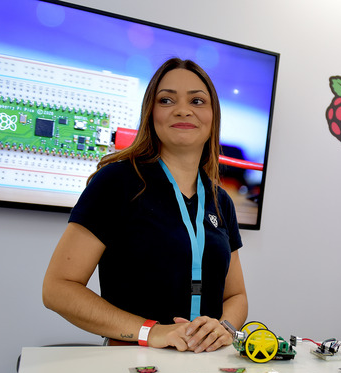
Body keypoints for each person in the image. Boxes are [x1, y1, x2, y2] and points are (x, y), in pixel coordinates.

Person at [43, 58, 248, 352]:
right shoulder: (117, 181)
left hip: (207, 365)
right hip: (132, 363)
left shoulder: (221, 201)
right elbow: (58, 289)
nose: (183, 109)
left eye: (197, 100)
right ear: (151, 113)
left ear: (213, 116)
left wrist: (225, 328)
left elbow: (237, 296)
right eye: (166, 100)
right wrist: (151, 333)